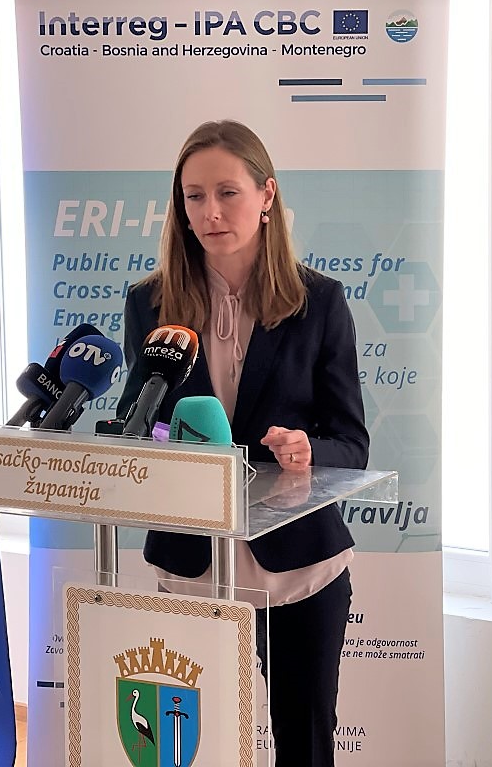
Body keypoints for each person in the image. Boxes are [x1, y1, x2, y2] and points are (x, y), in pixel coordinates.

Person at [116, 119, 369, 767]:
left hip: (299, 570)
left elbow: (351, 442)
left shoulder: (319, 302)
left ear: (266, 195)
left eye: (227, 193)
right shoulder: (149, 305)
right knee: (193, 752)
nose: (210, 212)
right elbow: (138, 427)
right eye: (194, 196)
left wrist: (308, 450)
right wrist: (162, 441)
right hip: (192, 566)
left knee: (304, 747)